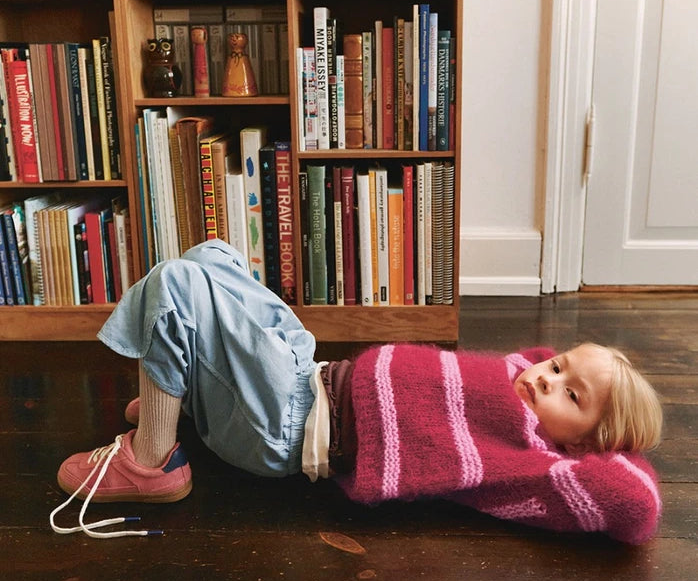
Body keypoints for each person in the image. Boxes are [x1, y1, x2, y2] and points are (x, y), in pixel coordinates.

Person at [50, 240, 663, 543]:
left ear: (584, 445)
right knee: (213, 254)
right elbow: (539, 365)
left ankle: (152, 459)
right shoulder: (521, 379)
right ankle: (182, 395)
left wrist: (604, 441)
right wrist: (570, 386)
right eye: (557, 365)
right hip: (308, 371)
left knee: (179, 285)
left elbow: (634, 502)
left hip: (286, 425)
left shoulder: (527, 458)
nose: (547, 377)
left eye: (571, 395)